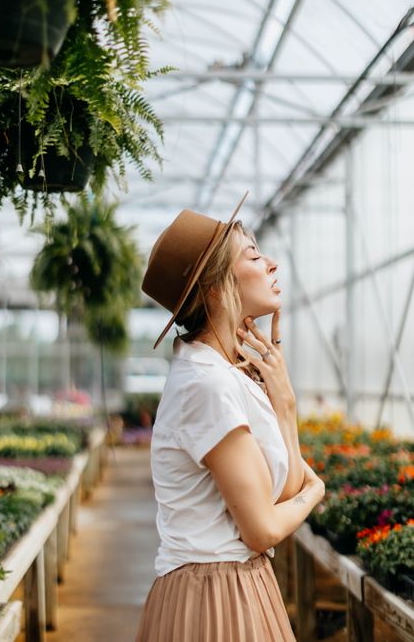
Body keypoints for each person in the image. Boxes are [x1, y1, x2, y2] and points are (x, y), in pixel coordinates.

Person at [136, 193, 325, 641]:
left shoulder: (225, 374)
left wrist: (285, 405)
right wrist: (317, 491)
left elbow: (285, 491)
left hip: (240, 587)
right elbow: (262, 528)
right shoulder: (207, 384)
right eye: (255, 254)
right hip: (214, 601)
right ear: (217, 288)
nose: (272, 263)